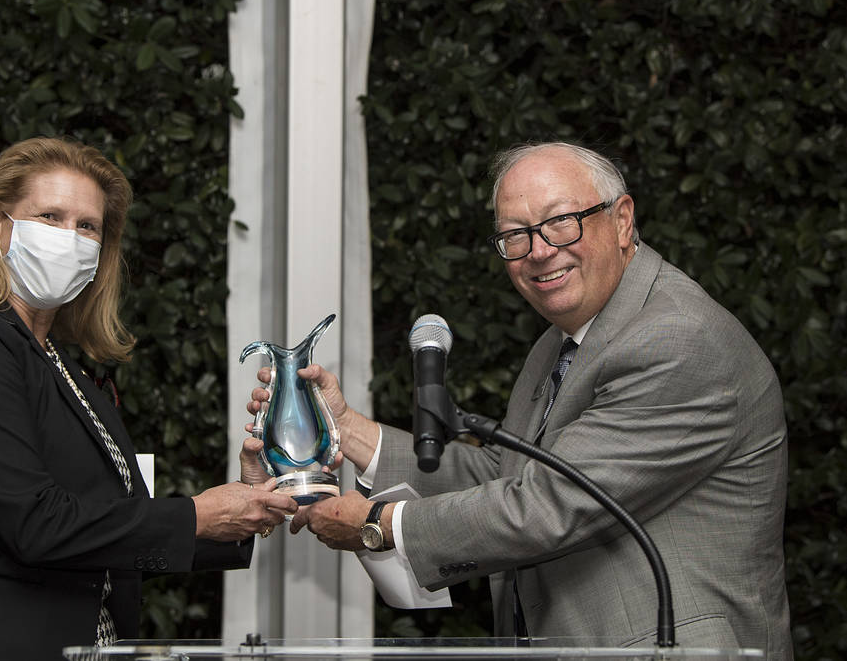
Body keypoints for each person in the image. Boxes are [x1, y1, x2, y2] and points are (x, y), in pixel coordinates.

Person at [250, 142, 792, 657]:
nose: (538, 251)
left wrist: (381, 525)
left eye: (561, 221)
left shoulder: (676, 338)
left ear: (622, 220)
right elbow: (507, 476)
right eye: (516, 235)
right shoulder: (561, 342)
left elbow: (549, 507)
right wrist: (346, 428)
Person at [0, 137, 297, 661]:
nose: (70, 239)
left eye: (88, 227)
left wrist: (247, 499)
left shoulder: (66, 365)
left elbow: (108, 525)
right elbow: (35, 524)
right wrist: (196, 515)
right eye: (51, 216)